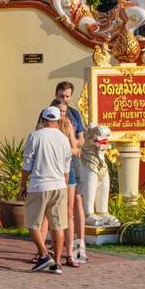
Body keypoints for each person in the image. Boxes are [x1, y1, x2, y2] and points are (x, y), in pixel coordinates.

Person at [20, 106, 74, 273]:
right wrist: (63, 184)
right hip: (59, 185)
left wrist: (22, 183)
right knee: (58, 226)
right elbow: (67, 166)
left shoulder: (35, 136)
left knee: (32, 223)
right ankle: (56, 263)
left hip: (39, 185)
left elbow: (27, 163)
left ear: (43, 120)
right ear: (58, 121)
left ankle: (44, 254)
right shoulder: (64, 139)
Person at [56, 81, 89, 262]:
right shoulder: (50, 112)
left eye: (67, 96)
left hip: (74, 161)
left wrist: (73, 141)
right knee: (57, 205)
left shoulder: (74, 114)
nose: (65, 99)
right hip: (56, 164)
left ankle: (79, 245)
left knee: (77, 202)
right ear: (56, 94)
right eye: (62, 95)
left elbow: (81, 139)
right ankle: (55, 244)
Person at [50, 96, 83, 267]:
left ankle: (71, 253)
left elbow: (76, 149)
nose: (62, 115)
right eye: (59, 112)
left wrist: (64, 149)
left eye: (64, 111)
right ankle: (43, 252)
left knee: (69, 212)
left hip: (67, 170)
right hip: (50, 172)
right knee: (49, 214)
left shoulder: (68, 125)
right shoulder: (46, 126)